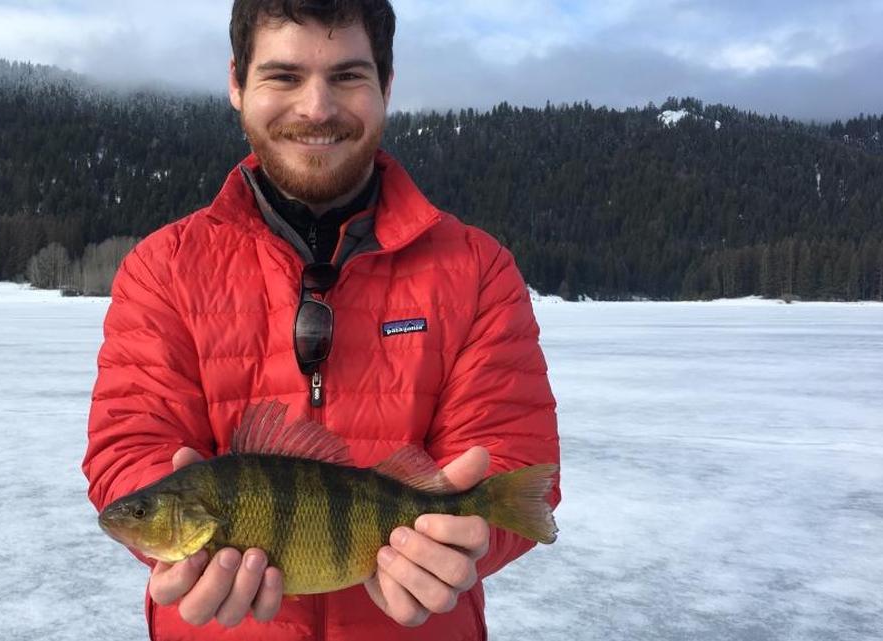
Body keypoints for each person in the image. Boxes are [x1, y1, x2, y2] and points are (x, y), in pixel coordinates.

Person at [82, 1, 560, 639]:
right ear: (237, 83)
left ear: (386, 86)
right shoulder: (161, 268)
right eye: (283, 76)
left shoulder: (477, 269)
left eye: (347, 76)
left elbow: (510, 454)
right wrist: (174, 527)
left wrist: (465, 540)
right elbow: (128, 446)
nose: (316, 108)